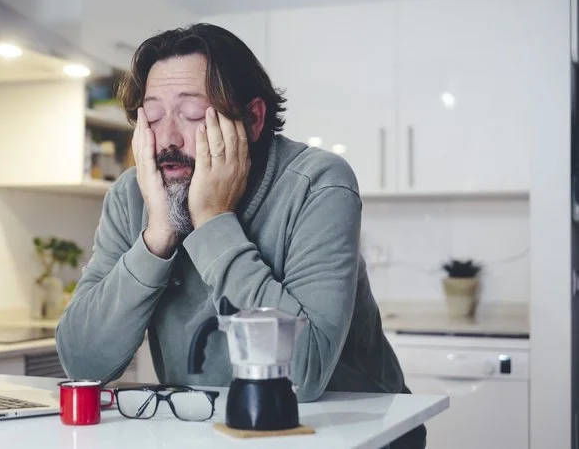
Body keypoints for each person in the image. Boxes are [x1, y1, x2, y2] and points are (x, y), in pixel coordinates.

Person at [56, 23, 426, 448]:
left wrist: (212, 220)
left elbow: (300, 376)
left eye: (193, 115)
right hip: (221, 433)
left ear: (252, 118)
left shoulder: (318, 183)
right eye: (153, 117)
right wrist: (157, 236)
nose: (168, 139)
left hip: (354, 434)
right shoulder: (134, 194)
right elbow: (81, 364)